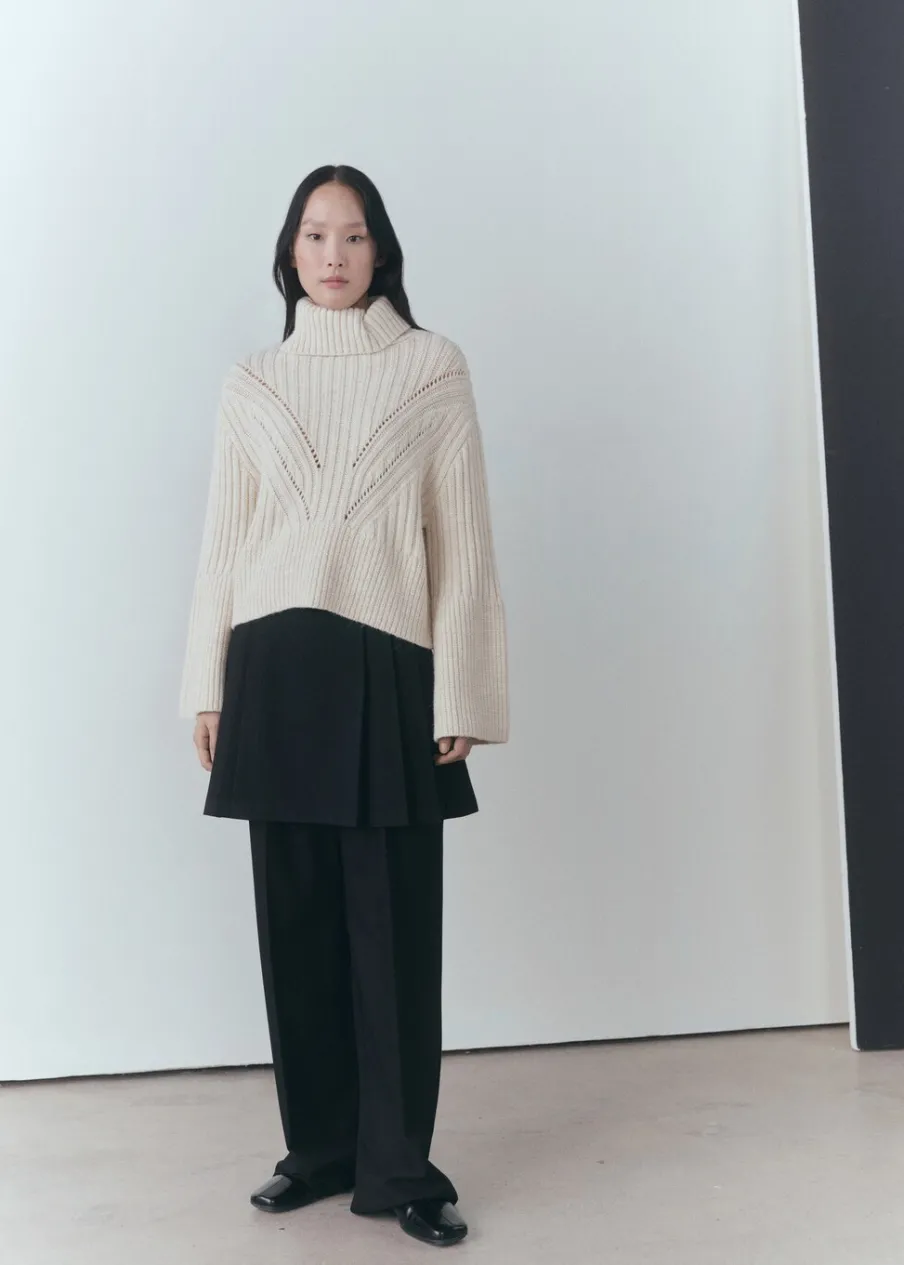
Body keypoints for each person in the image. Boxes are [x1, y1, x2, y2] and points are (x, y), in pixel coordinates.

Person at [178, 164, 509, 1249]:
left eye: (354, 235)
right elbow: (224, 542)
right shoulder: (253, 382)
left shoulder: (431, 368)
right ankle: (317, 1148)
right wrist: (207, 683)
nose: (334, 255)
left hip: (388, 665)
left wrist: (463, 686)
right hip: (273, 666)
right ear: (290, 251)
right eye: (316, 235)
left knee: (393, 930)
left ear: (381, 251)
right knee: (296, 926)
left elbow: (462, 542)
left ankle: (400, 1167)